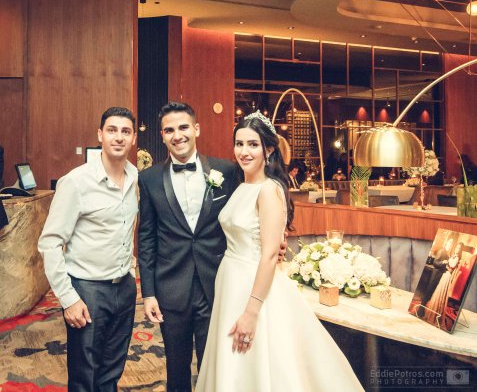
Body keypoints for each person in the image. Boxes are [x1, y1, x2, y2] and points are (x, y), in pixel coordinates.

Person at [196, 111, 363, 392]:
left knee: (257, 359)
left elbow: (270, 254)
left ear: (269, 149)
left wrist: (251, 312)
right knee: (231, 361)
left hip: (253, 285)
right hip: (231, 281)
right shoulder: (242, 186)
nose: (244, 151)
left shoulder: (269, 190)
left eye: (253, 144)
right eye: (239, 143)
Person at [138, 103, 286, 392]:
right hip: (171, 288)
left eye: (183, 127)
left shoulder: (228, 171)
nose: (177, 135)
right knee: (176, 369)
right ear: (162, 135)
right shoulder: (150, 179)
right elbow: (146, 238)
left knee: (219, 365)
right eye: (169, 130)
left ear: (196, 129)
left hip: (218, 286)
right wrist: (149, 293)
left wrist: (274, 244)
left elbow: (257, 210)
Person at [38, 107, 139, 391]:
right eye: (112, 130)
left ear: (133, 138)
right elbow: (50, 243)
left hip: (125, 287)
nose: (118, 137)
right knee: (85, 376)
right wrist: (68, 298)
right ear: (100, 135)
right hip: (88, 290)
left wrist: (131, 269)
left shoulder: (135, 176)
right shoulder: (76, 182)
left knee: (112, 371)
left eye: (125, 131)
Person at [424, 242, 463, 328]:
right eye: (457, 247)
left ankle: (436, 312)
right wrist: (446, 262)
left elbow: (451, 266)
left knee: (441, 293)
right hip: (445, 275)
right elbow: (444, 264)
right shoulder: (452, 255)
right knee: (438, 293)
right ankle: (433, 310)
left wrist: (447, 262)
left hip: (447, 276)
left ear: (460, 250)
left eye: (459, 248)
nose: (457, 249)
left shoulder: (457, 257)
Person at [417, 237, 453, 318]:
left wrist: (446, 267)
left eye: (452, 243)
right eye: (450, 242)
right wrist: (443, 263)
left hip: (439, 276)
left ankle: (422, 311)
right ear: (447, 243)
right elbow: (435, 262)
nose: (451, 245)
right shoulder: (442, 251)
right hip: (435, 275)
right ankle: (420, 312)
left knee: (430, 294)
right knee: (428, 292)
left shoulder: (447, 253)